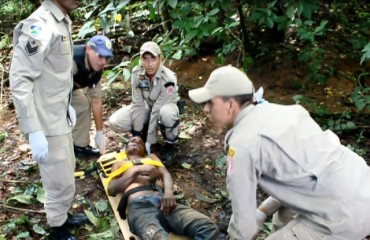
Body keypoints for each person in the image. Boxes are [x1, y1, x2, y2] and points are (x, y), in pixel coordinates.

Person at [188, 65, 370, 240]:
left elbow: (244, 225)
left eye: (210, 102)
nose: (205, 109)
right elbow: (298, 173)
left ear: (230, 104)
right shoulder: (285, 113)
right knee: (283, 217)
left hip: (342, 215)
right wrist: (263, 211)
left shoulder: (243, 144)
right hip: (359, 188)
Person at [9, 1, 88, 239]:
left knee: (66, 171)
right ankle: (57, 229)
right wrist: (33, 129)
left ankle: (62, 216)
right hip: (45, 122)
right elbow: (20, 79)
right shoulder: (39, 24)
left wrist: (67, 106)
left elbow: (54, 75)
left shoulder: (60, 20)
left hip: (58, 115)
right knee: (59, 181)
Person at [107, 136, 220, 239]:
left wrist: (169, 193)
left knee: (207, 226)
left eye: (140, 143)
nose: (136, 142)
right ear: (126, 148)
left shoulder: (151, 157)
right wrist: (136, 171)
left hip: (165, 202)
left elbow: (165, 174)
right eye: (132, 141)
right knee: (158, 238)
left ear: (144, 151)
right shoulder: (119, 164)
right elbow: (111, 189)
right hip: (140, 207)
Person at [108, 41, 180, 166]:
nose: (149, 64)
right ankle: (143, 133)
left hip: (165, 108)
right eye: (145, 59)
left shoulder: (169, 79)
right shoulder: (137, 73)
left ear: (160, 58)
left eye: (153, 58)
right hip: (148, 107)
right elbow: (137, 104)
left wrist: (150, 141)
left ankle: (170, 145)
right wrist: (137, 136)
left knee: (167, 114)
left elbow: (157, 109)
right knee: (115, 121)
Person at [71, 35, 113, 157]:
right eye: (100, 56)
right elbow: (56, 89)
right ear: (88, 49)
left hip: (69, 89)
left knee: (83, 103)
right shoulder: (71, 60)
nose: (103, 62)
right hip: (48, 90)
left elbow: (96, 100)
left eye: (107, 58)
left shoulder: (98, 68)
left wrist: (99, 132)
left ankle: (79, 146)